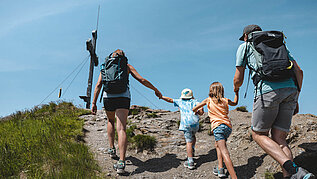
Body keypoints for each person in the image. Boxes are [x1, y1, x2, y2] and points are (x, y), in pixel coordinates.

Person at [234, 25, 314, 179]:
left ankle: (294, 170)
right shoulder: (278, 44)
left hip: (267, 91)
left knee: (258, 134)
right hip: (291, 89)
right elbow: (299, 71)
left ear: (246, 35)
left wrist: (236, 88)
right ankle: (291, 176)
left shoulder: (245, 46)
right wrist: (295, 97)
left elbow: (238, 78)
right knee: (280, 138)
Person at [91, 49, 162, 174]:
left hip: (108, 97)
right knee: (122, 128)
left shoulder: (105, 67)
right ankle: (122, 162)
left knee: (110, 121)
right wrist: (155, 89)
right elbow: (142, 79)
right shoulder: (126, 66)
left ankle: (112, 148)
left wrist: (94, 103)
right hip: (123, 97)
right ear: (123, 57)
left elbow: (98, 85)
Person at [193, 82, 238, 179]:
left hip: (217, 127)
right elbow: (235, 103)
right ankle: (220, 168)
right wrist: (236, 93)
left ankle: (234, 177)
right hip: (227, 127)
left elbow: (194, 108)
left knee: (224, 151)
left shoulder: (208, 100)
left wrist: (198, 110)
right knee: (217, 145)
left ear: (211, 91)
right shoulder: (225, 100)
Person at [161, 88, 204, 169]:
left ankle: (190, 161)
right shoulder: (195, 102)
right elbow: (201, 112)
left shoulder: (180, 101)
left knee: (188, 142)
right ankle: (193, 149)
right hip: (195, 124)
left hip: (186, 124)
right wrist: (199, 112)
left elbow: (170, 100)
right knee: (193, 136)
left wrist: (161, 97)